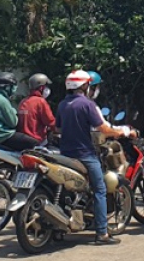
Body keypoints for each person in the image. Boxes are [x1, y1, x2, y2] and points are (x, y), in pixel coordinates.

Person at [57, 69, 134, 245]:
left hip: (65, 154)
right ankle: (102, 233)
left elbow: (58, 129)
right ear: (84, 85)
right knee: (100, 190)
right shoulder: (87, 104)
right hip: (84, 154)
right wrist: (121, 132)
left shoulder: (62, 104)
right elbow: (104, 129)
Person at [0, 72, 35, 151]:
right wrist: (13, 111)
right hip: (1, 137)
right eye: (13, 87)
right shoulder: (2, 100)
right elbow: (13, 123)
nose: (14, 89)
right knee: (34, 144)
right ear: (7, 87)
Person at [15, 73, 55, 147]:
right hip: (37, 140)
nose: (47, 89)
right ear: (41, 88)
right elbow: (50, 122)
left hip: (23, 140)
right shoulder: (40, 101)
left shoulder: (23, 101)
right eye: (46, 86)